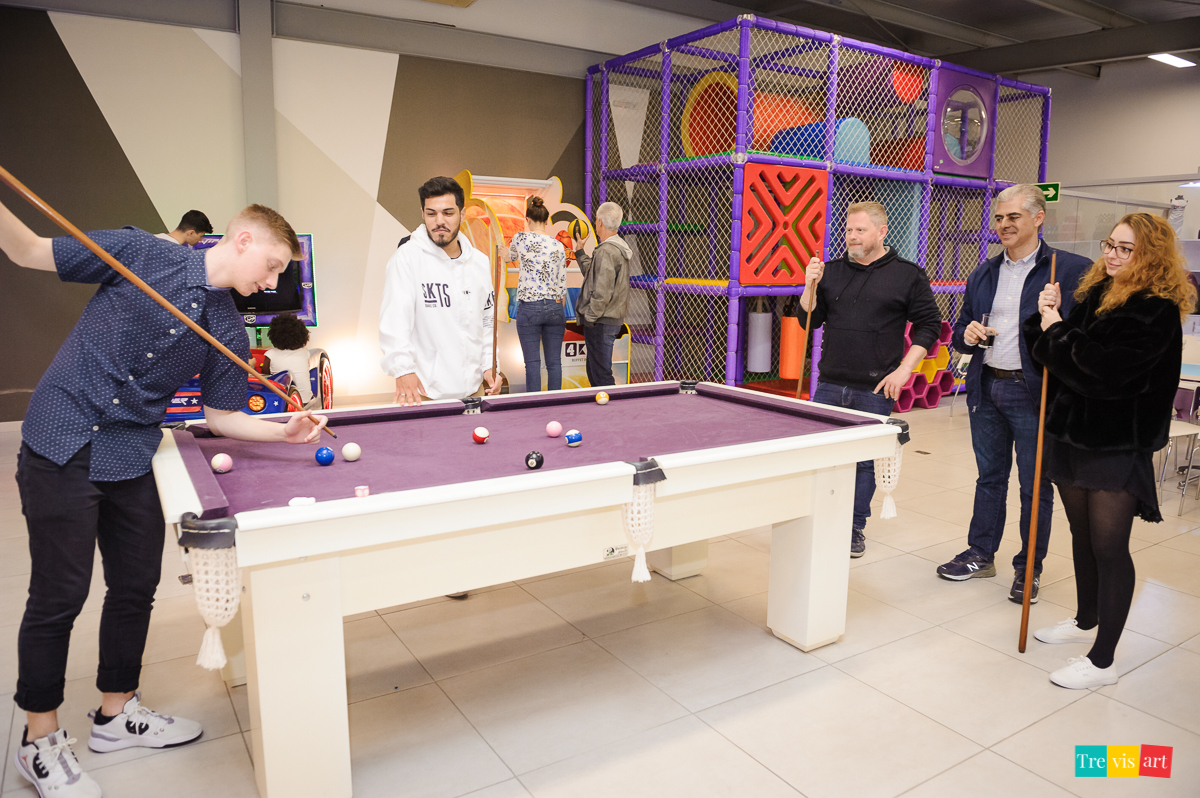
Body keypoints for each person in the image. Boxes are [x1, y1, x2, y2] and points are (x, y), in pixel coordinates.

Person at [0, 200, 328, 798]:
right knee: (60, 593)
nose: (275, 281)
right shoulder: (143, 252)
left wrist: (284, 430)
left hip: (127, 454)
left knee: (135, 585)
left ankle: (114, 715)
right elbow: (25, 249)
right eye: (275, 265)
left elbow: (221, 415)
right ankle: (38, 741)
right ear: (244, 239)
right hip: (61, 438)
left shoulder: (226, 323)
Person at [1025, 213, 1193, 689]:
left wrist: (1059, 333)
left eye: (1125, 249)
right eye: (1110, 245)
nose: (1112, 255)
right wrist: (1045, 318)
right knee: (1081, 536)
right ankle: (1084, 621)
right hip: (1072, 434)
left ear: (1150, 256)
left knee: (1109, 546)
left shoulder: (1154, 310)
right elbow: (1050, 357)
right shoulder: (1097, 293)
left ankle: (1103, 662)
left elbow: (1104, 374)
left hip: (1115, 442)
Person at [938, 184, 1091, 603]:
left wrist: (1057, 316)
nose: (1003, 225)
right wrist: (966, 335)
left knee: (1033, 485)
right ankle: (980, 553)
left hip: (1035, 391)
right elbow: (961, 331)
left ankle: (1028, 568)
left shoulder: (1070, 270)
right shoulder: (984, 272)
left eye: (1013, 218)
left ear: (1038, 219)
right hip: (986, 387)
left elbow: (1085, 339)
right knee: (990, 477)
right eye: (1000, 218)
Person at [799, 201, 941, 557]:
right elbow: (809, 322)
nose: (852, 237)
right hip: (830, 380)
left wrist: (904, 369)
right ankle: (818, 518)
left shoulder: (908, 275)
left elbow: (929, 326)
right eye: (848, 230)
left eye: (860, 230)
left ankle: (853, 527)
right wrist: (808, 287)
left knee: (864, 462)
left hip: (875, 387)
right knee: (822, 456)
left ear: (882, 231)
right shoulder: (829, 271)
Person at [380, 176, 500, 406]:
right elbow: (394, 322)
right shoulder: (406, 259)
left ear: (462, 214)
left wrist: (489, 365)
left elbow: (487, 321)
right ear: (423, 214)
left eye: (448, 212)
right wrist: (402, 370)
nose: (439, 221)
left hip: (473, 392)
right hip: (423, 392)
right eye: (431, 213)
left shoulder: (480, 263)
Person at [504, 197, 567, 392]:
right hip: (555, 306)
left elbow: (508, 257)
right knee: (554, 363)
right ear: (547, 221)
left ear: (527, 219)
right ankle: (556, 403)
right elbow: (562, 283)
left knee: (532, 363)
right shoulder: (558, 245)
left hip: (529, 307)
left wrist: (500, 249)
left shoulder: (520, 238)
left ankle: (534, 406)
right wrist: (558, 308)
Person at [573, 201, 631, 388]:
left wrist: (590, 318)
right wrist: (580, 251)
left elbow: (602, 291)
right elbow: (593, 275)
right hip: (607, 319)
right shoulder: (616, 248)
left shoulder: (606, 250)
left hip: (601, 321)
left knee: (601, 375)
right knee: (597, 371)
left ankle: (612, 414)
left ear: (599, 223)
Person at [262, 312, 314, 406]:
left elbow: (265, 375)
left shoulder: (270, 354)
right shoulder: (305, 352)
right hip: (304, 400)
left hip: (282, 402)